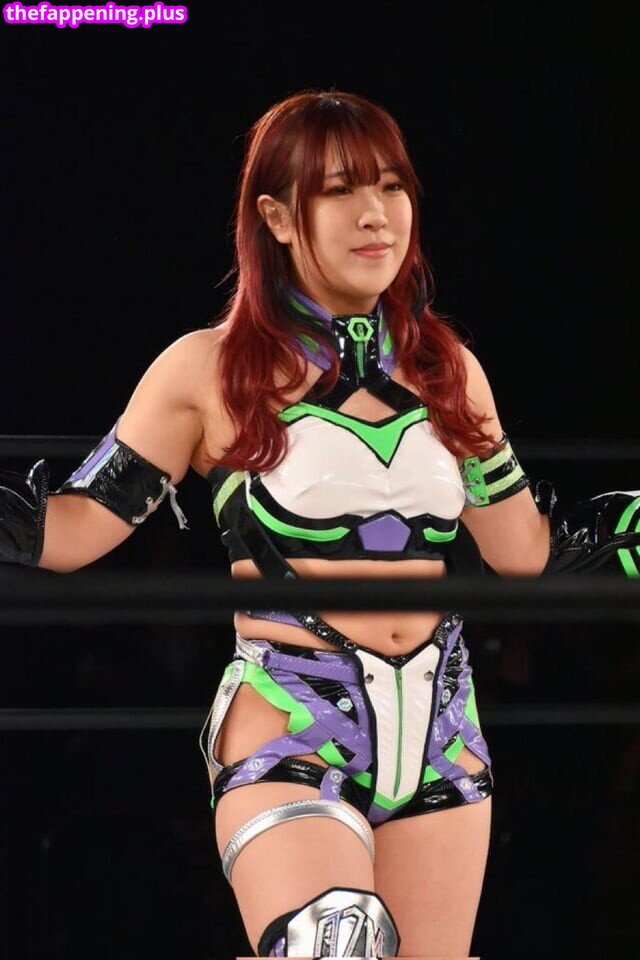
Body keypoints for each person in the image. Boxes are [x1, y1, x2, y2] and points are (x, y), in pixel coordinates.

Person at [1, 90, 638, 959]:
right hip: (292, 723)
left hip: (442, 733)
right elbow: (74, 528)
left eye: (391, 185)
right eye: (340, 190)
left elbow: (524, 550)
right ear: (276, 217)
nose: (376, 214)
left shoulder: (449, 371)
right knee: (332, 943)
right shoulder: (207, 369)